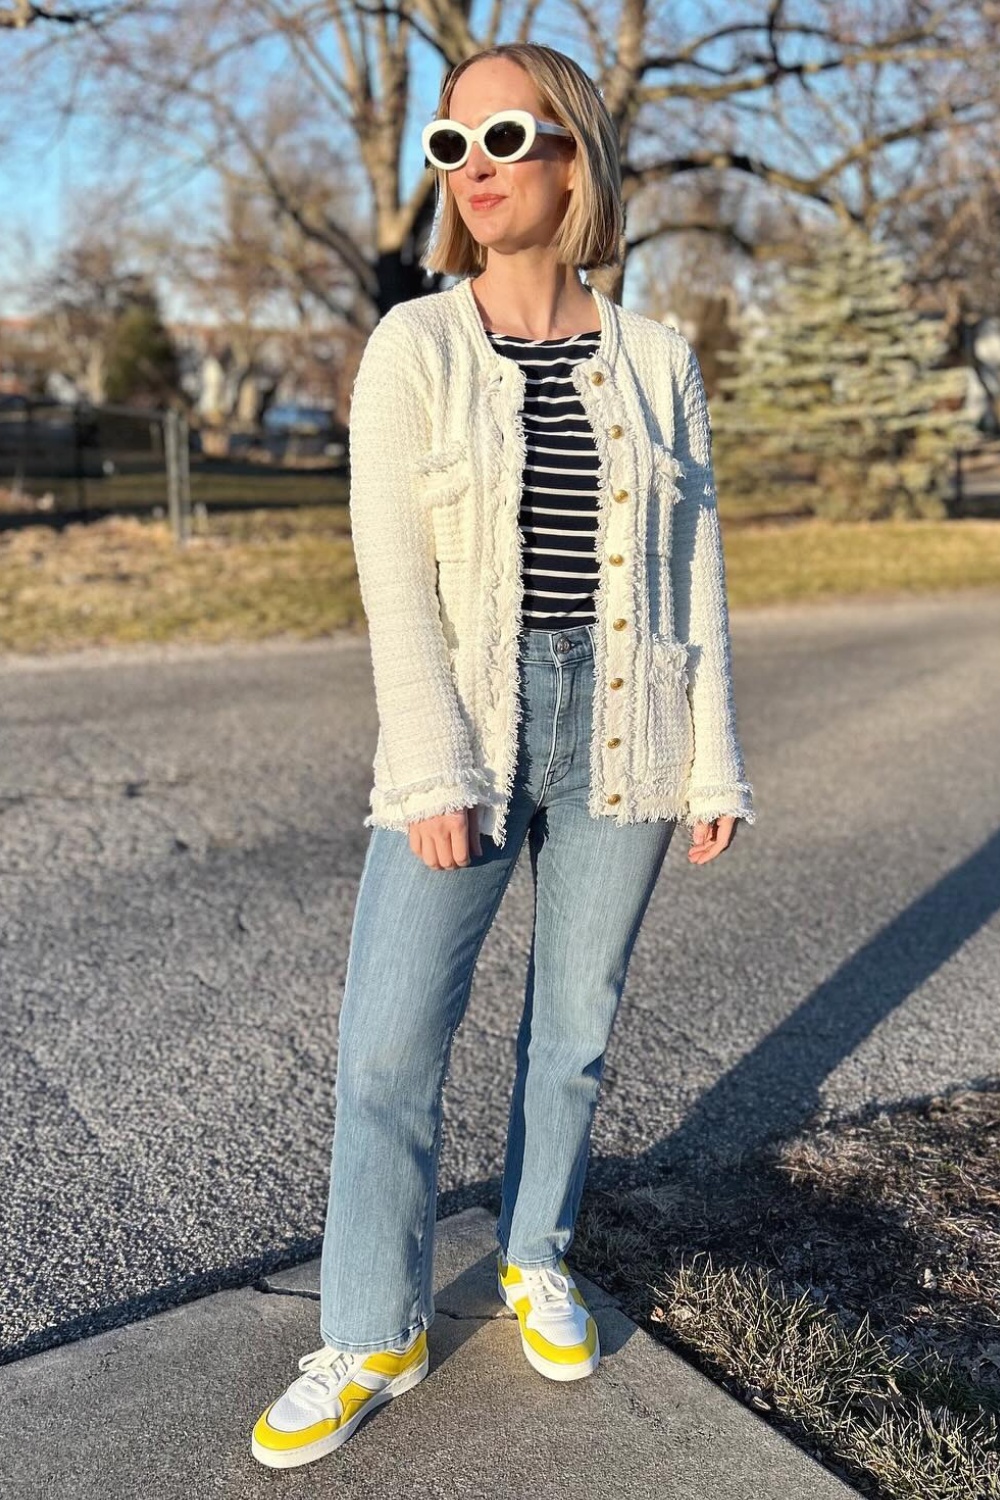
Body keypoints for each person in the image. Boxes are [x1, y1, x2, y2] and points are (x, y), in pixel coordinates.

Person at [252, 41, 755, 1470]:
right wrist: (428, 769)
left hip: (628, 727)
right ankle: (373, 1328)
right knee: (388, 1042)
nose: (473, 167)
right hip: (465, 727)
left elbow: (693, 570)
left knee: (575, 1027)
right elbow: (392, 576)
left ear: (573, 155)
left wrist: (712, 764)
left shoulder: (659, 358)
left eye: (505, 137)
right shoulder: (413, 346)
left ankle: (538, 1254)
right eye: (448, 145)